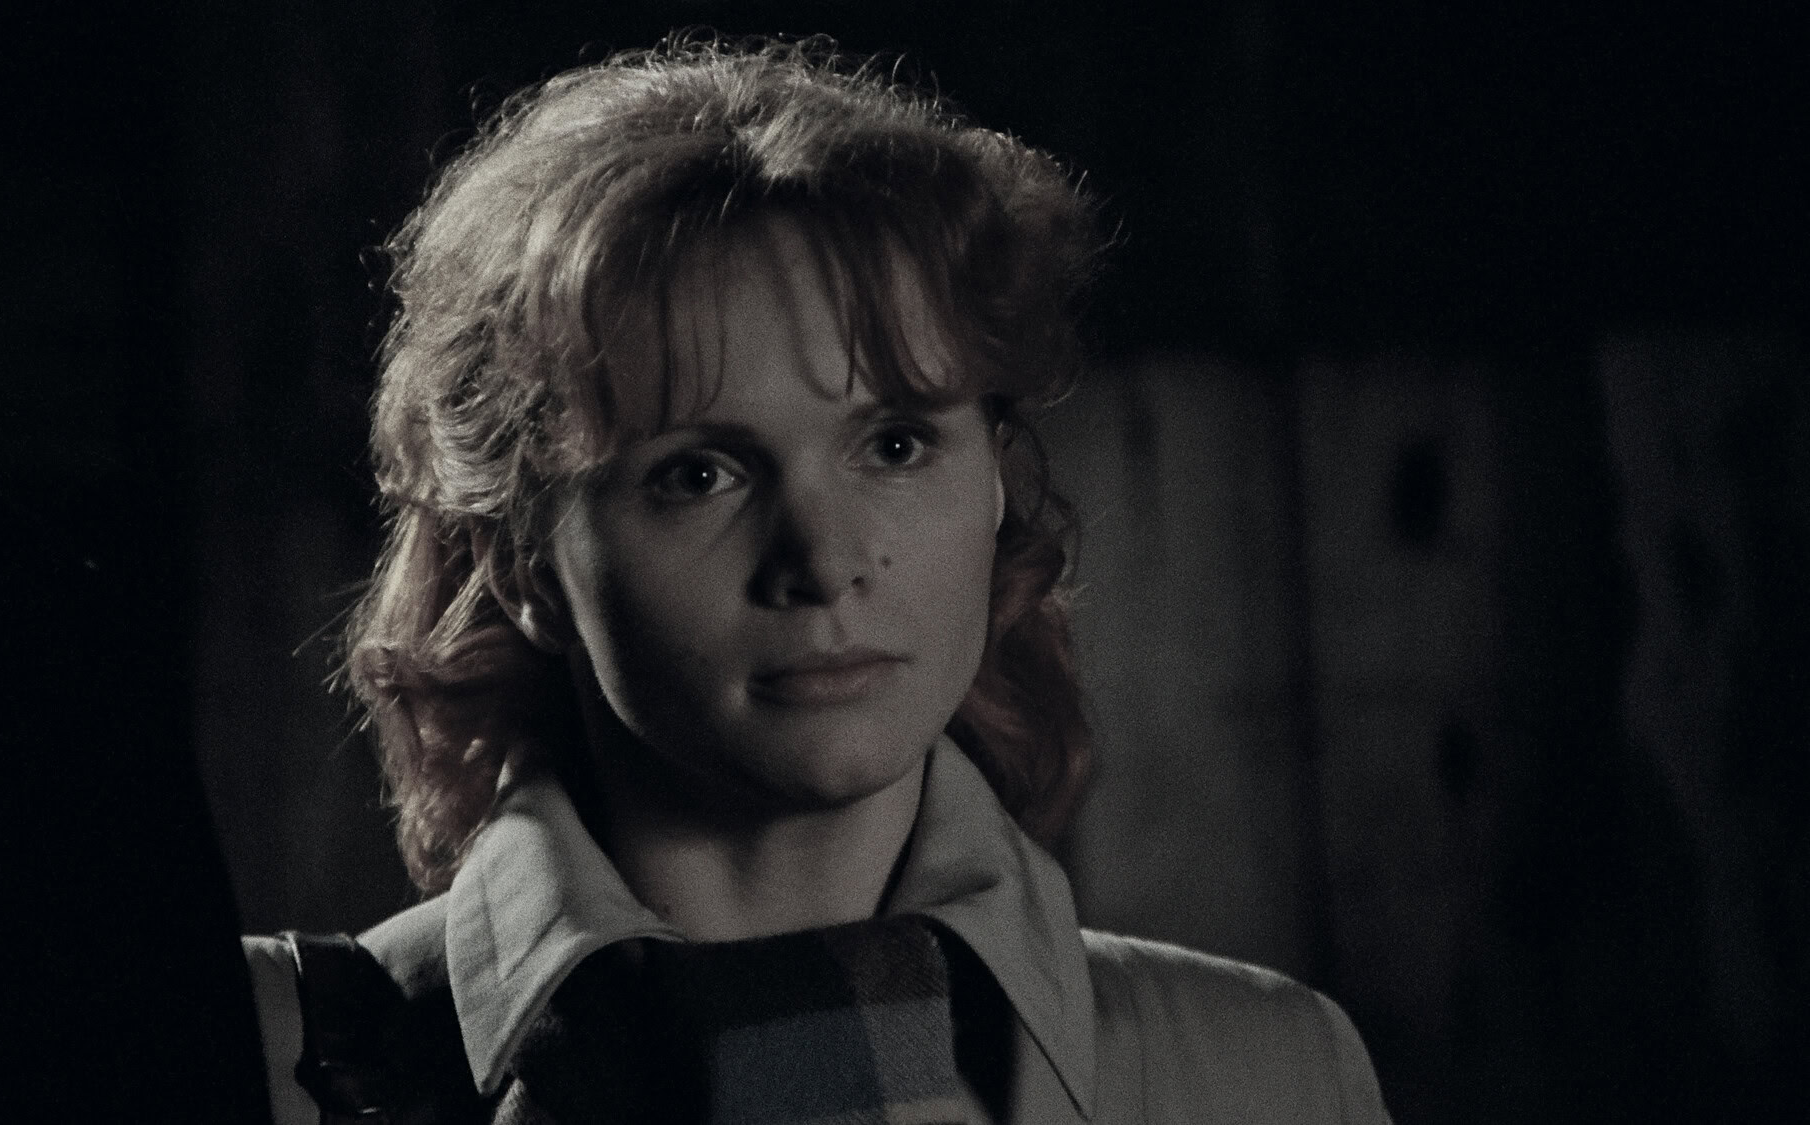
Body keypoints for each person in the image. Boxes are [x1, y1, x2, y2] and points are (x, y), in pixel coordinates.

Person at [244, 34, 1391, 1124]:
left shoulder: (1269, 1073)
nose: (823, 561)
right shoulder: (259, 1059)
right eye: (698, 474)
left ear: (993, 481)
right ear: (523, 563)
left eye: (893, 444)